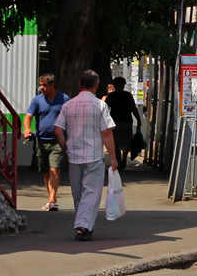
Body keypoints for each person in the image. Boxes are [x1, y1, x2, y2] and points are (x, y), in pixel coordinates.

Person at [54, 70, 117, 241]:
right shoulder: (100, 105)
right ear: (97, 86)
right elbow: (106, 133)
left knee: (78, 193)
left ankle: (83, 224)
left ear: (79, 84)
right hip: (93, 155)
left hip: (74, 155)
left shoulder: (68, 105)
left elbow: (58, 131)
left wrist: (66, 148)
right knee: (91, 192)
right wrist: (113, 157)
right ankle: (83, 226)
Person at [24, 74, 68, 212]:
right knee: (46, 171)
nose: (41, 88)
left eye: (44, 85)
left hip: (58, 141)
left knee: (54, 169)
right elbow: (28, 116)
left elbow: (71, 116)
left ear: (52, 84)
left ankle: (52, 200)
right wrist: (27, 129)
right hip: (41, 141)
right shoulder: (37, 100)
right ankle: (51, 200)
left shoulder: (64, 99)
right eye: (40, 85)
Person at [103, 76, 142, 171]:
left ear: (114, 85)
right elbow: (133, 108)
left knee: (115, 143)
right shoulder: (128, 95)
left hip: (114, 122)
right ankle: (124, 157)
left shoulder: (111, 96)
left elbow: (105, 108)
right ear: (124, 85)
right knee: (127, 141)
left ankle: (119, 161)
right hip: (127, 121)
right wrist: (138, 119)